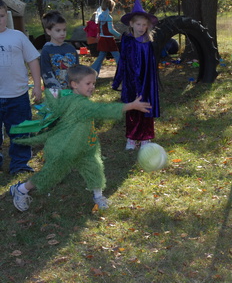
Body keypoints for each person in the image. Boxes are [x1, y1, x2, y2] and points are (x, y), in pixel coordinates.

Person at [9, 65, 152, 212]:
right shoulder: (79, 104)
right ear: (74, 84)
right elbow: (103, 110)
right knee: (49, 175)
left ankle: (98, 196)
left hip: (85, 146)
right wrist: (131, 105)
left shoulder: (73, 97)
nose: (92, 87)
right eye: (88, 83)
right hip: (65, 149)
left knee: (95, 169)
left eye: (94, 83)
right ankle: (21, 189)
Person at [0, 0, 42, 175]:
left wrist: (38, 86)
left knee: (21, 133)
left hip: (18, 96)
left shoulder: (17, 36)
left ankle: (19, 164)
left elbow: (32, 59)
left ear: (6, 16)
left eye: (1, 16)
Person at [112, 0, 160, 150]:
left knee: (145, 107)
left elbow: (151, 66)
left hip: (145, 82)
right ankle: (132, 138)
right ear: (131, 24)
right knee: (132, 109)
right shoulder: (127, 40)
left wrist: (151, 85)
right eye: (138, 24)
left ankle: (145, 137)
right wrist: (117, 80)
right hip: (131, 82)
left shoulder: (148, 43)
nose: (141, 27)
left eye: (144, 25)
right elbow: (123, 61)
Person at [40, 10, 79, 90]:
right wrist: (57, 91)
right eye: (58, 30)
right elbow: (46, 73)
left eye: (64, 30)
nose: (62, 33)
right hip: (55, 93)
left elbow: (78, 70)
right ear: (48, 31)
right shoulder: (46, 50)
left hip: (73, 92)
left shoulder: (71, 48)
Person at [91, 0, 121, 75]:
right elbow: (110, 30)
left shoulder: (100, 16)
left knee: (101, 57)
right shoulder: (109, 17)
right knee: (117, 56)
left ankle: (92, 71)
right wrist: (119, 35)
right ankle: (123, 72)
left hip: (102, 39)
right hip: (109, 40)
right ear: (111, 7)